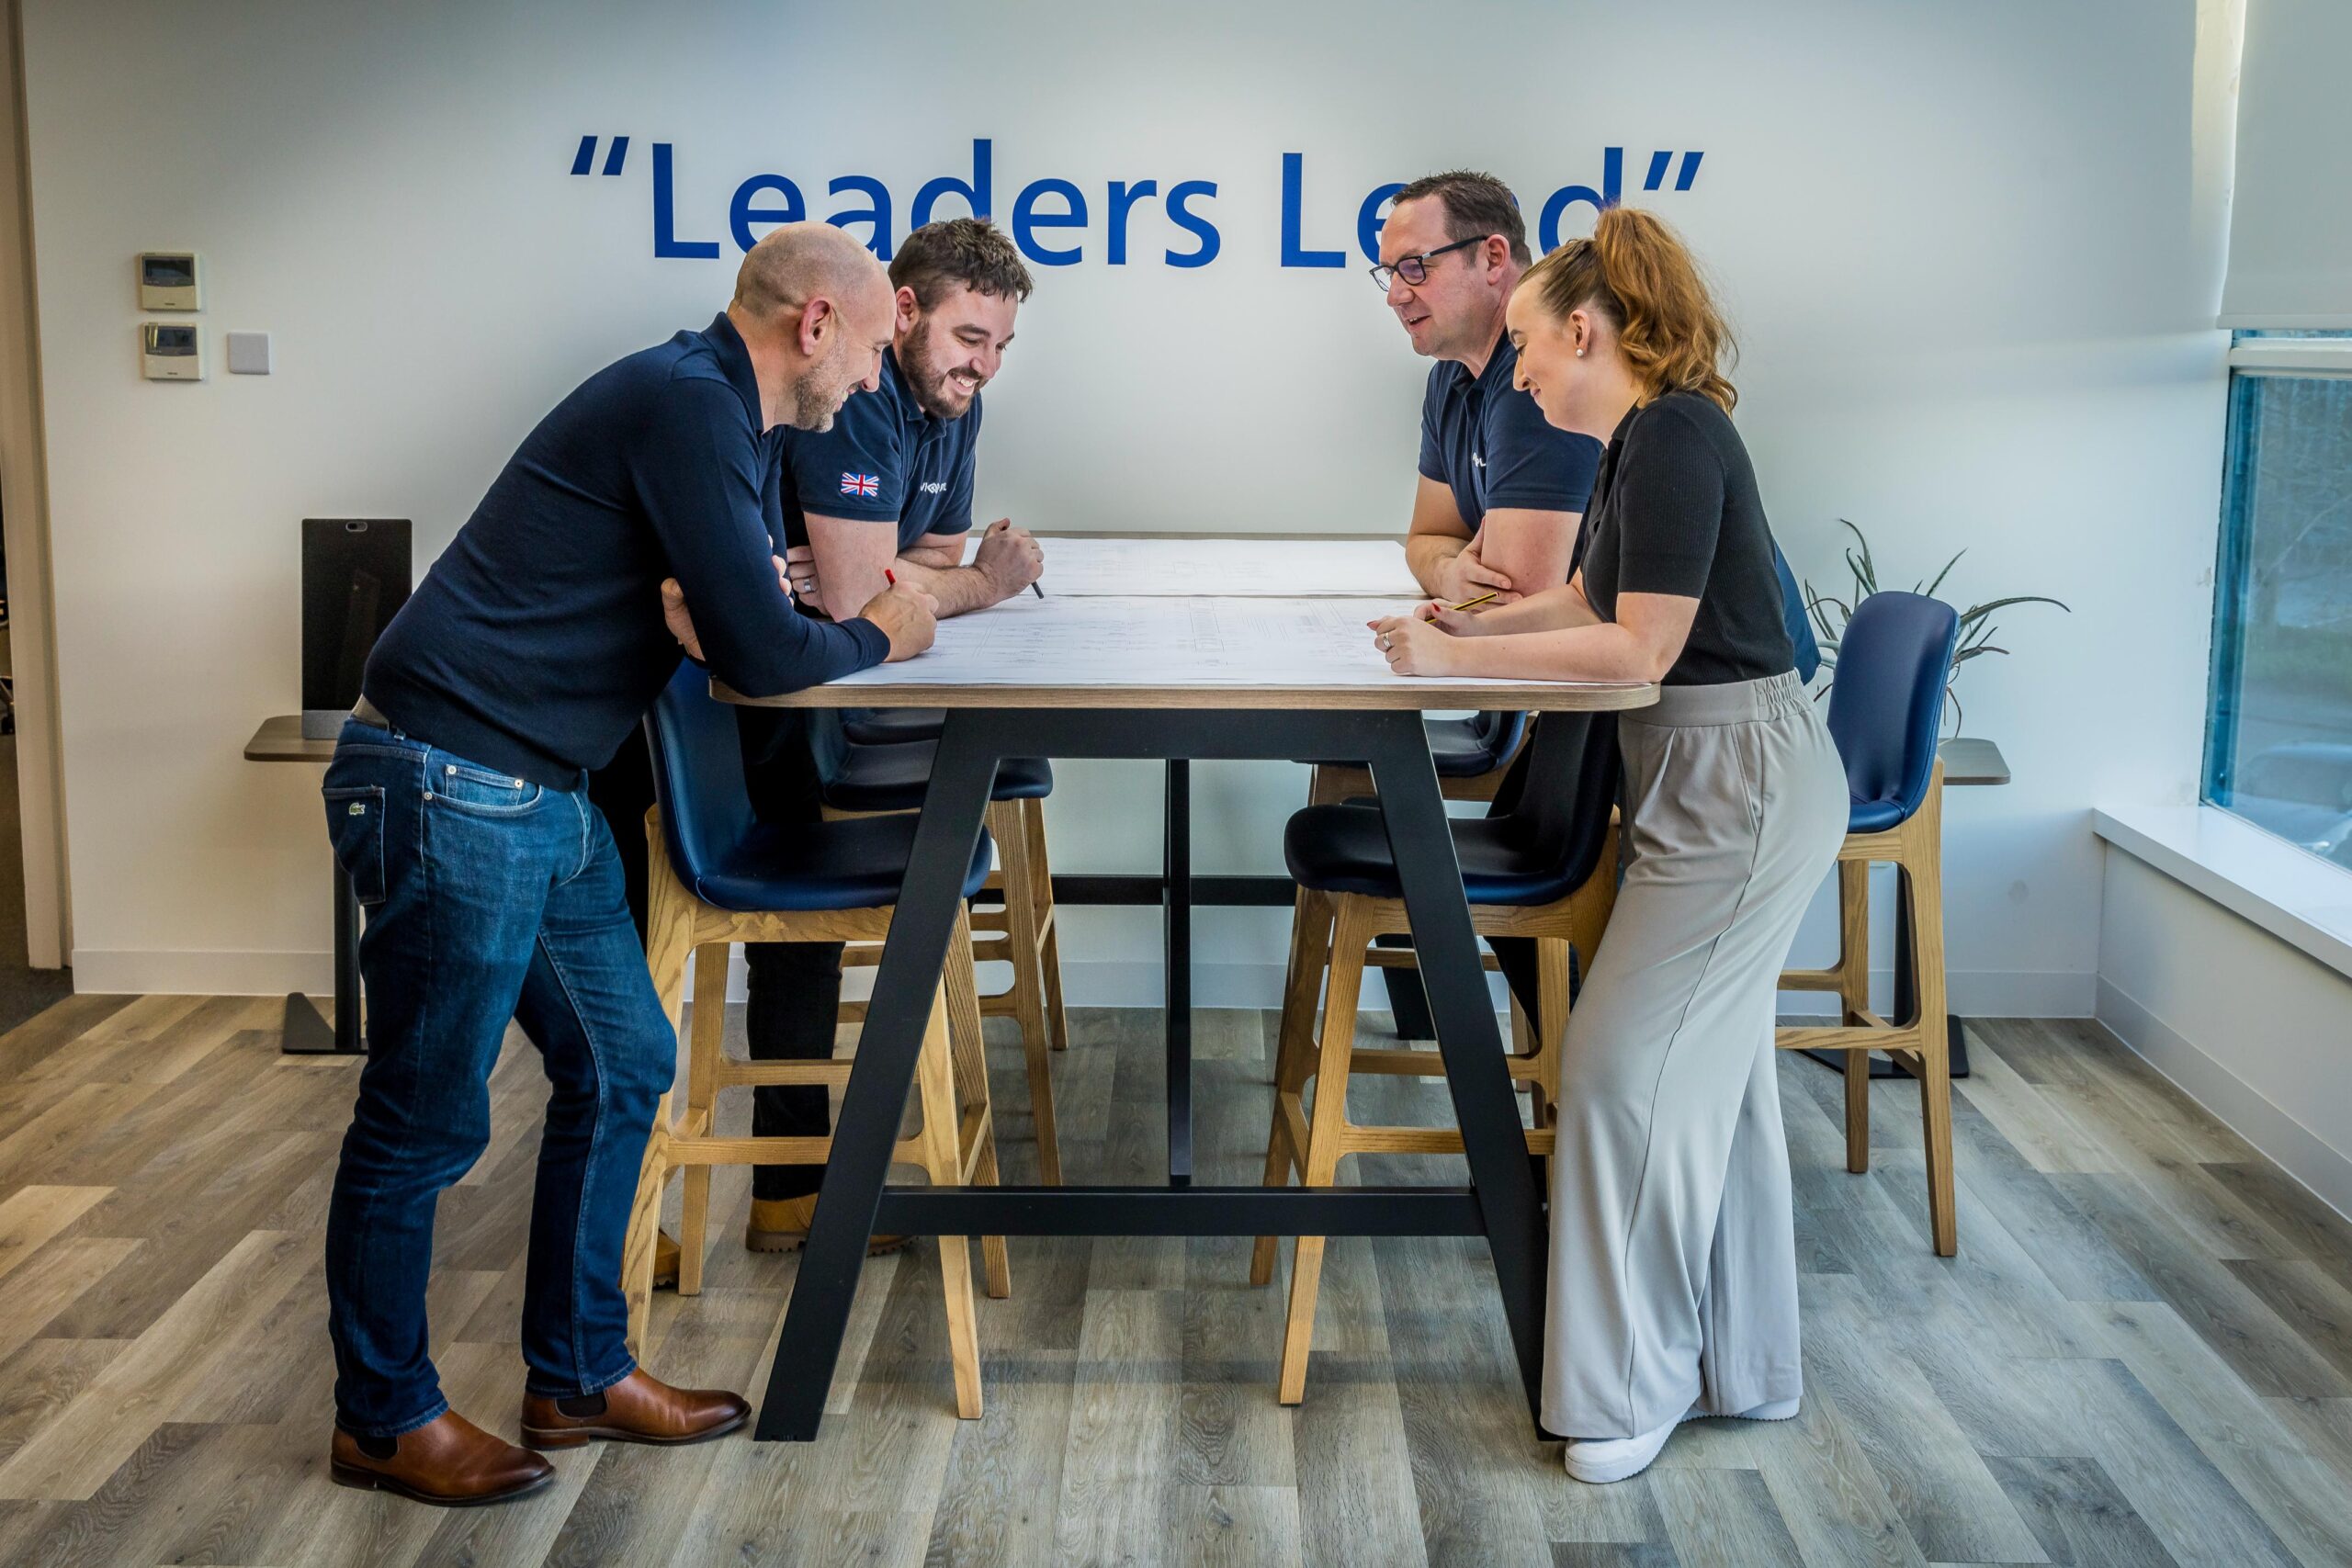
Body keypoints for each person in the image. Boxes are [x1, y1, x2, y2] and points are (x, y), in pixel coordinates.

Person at [319, 221, 937, 1508]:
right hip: (448, 776)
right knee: (425, 1114)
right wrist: (880, 625)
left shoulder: (726, 422)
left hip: (537, 787)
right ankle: (381, 1418)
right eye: (876, 346)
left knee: (626, 1059)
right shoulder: (687, 403)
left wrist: (756, 615)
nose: (879, 378)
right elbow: (767, 652)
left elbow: (749, 623)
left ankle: (580, 1372)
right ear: (815, 324)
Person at [1369, 207, 1848, 1485]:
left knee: (1626, 1071)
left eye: (1528, 345)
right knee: (1715, 1082)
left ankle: (1627, 1389)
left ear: (1586, 330)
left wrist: (1459, 644)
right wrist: (1459, 636)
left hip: (1738, 784)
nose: (1517, 375)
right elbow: (1585, 604)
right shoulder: (1644, 439)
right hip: (1709, 778)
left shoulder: (1680, 433)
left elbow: (1640, 650)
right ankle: (1738, 1364)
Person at [736, 216, 1043, 1252]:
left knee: (955, 791)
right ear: (901, 312)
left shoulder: (957, 405)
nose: (983, 366)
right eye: (968, 339)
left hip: (845, 686)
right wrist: (972, 586)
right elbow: (865, 598)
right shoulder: (858, 397)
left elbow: (913, 566)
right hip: (757, 707)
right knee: (805, 896)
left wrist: (911, 583)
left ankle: (802, 1186)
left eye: (1000, 345)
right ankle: (788, 1192)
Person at [1378, 170, 1600, 604]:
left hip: (1700, 670)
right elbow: (1429, 536)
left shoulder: (1541, 372)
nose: (1395, 296)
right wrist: (1447, 574)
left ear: (1493, 259)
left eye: (1414, 268)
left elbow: (1511, 600)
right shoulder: (1451, 372)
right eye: (1390, 274)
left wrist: (1456, 580)